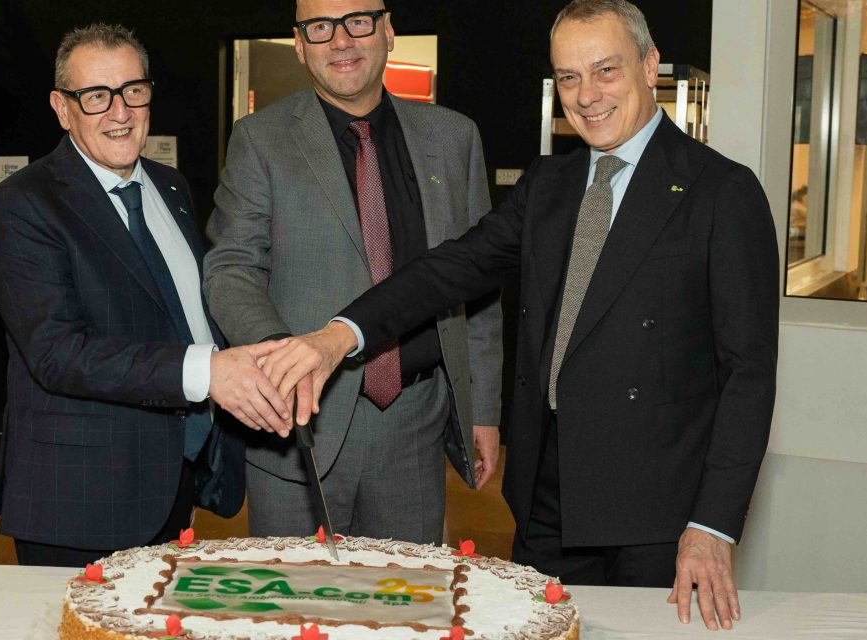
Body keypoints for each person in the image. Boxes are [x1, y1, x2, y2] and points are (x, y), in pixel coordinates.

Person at [261, 0, 779, 630]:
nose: (587, 96)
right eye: (568, 77)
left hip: (657, 510)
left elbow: (749, 375)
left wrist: (712, 525)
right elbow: (450, 268)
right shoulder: (549, 184)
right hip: (547, 498)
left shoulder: (721, 191)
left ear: (649, 66)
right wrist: (339, 335)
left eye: (606, 70)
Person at [0, 23, 292, 568]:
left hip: (171, 478)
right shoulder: (22, 205)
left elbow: (180, 311)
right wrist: (209, 372)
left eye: (133, 90)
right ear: (62, 108)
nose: (119, 111)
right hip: (79, 497)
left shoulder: (172, 186)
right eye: (95, 96)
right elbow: (57, 353)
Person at [202, 0, 503, 545]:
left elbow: (476, 278)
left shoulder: (453, 138)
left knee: (406, 595)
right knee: (293, 595)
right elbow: (230, 268)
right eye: (320, 27)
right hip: (298, 429)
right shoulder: (260, 139)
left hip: (415, 425)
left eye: (357, 21)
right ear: (299, 45)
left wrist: (482, 409)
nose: (340, 41)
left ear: (388, 30)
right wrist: (280, 359)